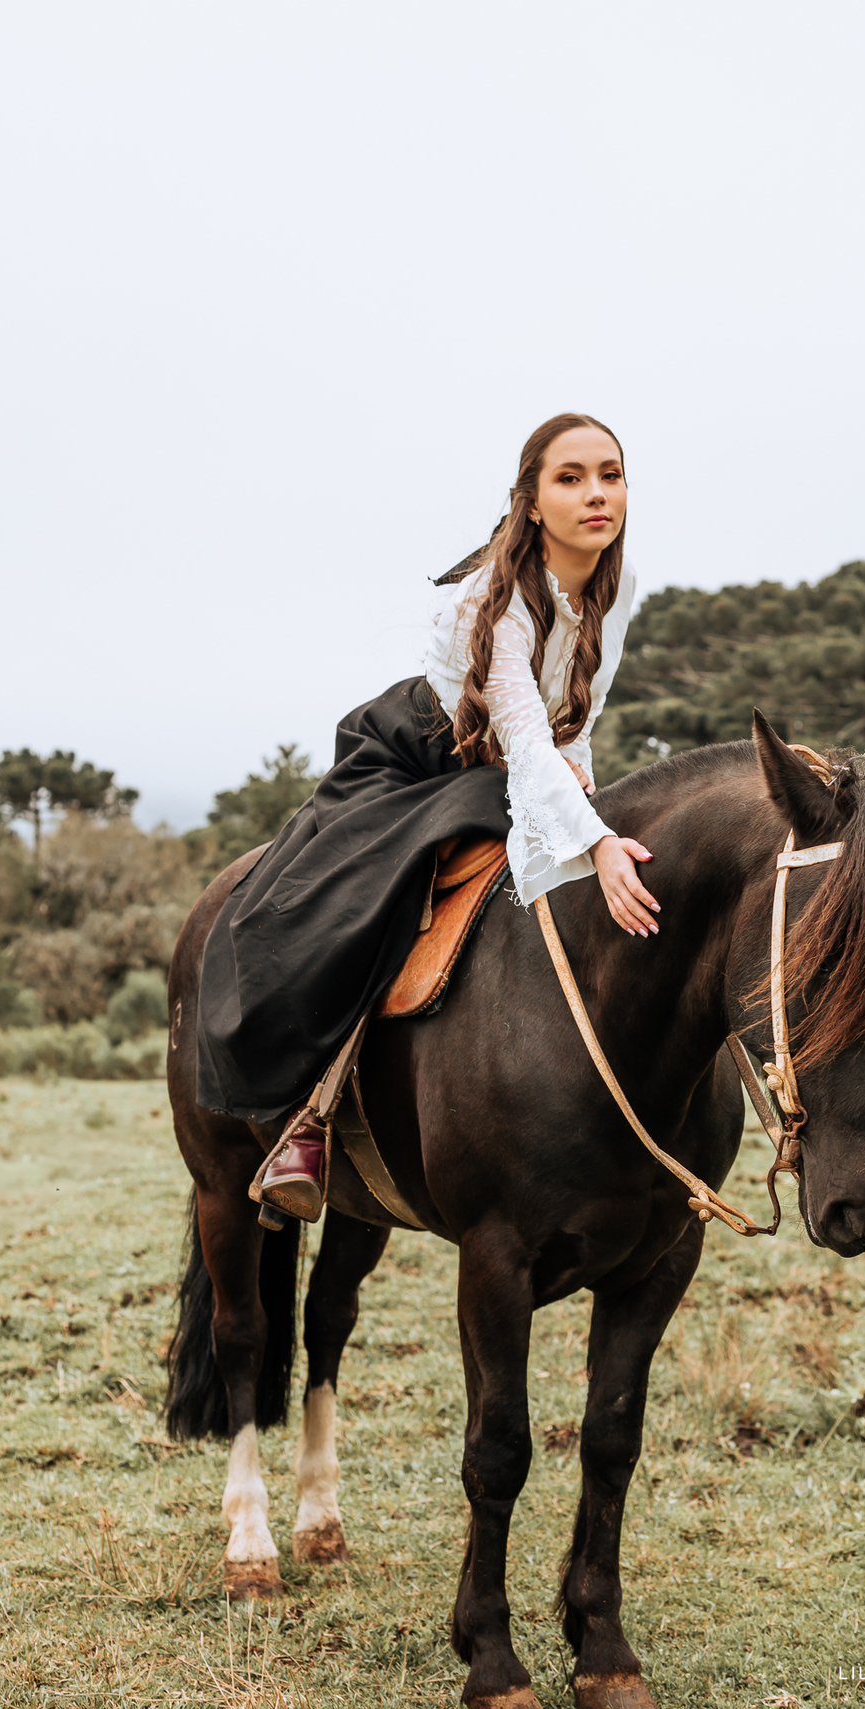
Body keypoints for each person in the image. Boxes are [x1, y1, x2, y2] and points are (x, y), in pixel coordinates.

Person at [195, 412, 659, 1204]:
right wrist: (594, 841)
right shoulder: (496, 598)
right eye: (570, 477)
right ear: (531, 501)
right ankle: (308, 1119)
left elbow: (575, 722)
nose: (595, 494)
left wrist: (591, 807)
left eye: (610, 475)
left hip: (519, 762)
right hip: (419, 757)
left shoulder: (620, 587)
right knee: (361, 903)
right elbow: (519, 730)